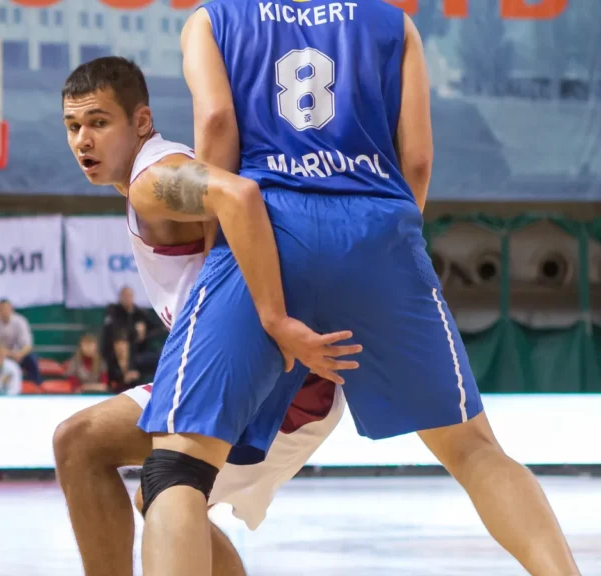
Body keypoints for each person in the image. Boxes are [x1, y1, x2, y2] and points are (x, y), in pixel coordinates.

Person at [175, 1, 579, 575]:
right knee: (473, 449)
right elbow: (416, 157)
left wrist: (225, 243)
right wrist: (385, 248)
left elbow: (216, 125)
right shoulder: (395, 22)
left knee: (181, 466)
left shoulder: (210, 19)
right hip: (374, 226)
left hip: (264, 225)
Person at [57, 56, 351, 576]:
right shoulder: (148, 182)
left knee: (85, 446)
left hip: (276, 385)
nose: (83, 139)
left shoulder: (153, 177)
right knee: (162, 497)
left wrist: (277, 319)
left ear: (141, 122)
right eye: (73, 126)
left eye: (99, 122)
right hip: (259, 375)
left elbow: (239, 196)